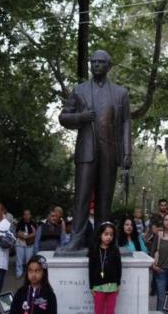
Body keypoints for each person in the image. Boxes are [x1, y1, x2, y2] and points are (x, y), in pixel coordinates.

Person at [58, 50, 132, 250]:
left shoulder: (120, 93)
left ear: (109, 66)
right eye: (93, 62)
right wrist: (81, 117)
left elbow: (126, 122)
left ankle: (103, 239)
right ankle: (77, 238)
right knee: (82, 197)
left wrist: (127, 153)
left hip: (110, 152)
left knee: (105, 199)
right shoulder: (80, 90)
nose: (96, 65)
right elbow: (63, 117)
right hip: (87, 151)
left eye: (101, 62)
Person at [88, 222, 121, 314]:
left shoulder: (115, 250)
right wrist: (91, 286)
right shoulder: (94, 250)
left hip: (112, 286)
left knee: (111, 310)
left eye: (111, 235)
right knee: (99, 310)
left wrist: (118, 284)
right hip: (98, 287)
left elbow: (119, 268)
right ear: (100, 235)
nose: (109, 237)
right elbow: (91, 269)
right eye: (106, 234)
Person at [15, 209, 37, 279]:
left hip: (30, 244)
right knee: (19, 260)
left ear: (30, 215)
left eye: (28, 214)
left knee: (29, 260)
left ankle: (28, 274)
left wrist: (27, 237)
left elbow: (35, 233)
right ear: (23, 216)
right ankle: (19, 273)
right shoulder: (20, 223)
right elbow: (17, 232)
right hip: (20, 244)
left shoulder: (33, 223)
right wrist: (22, 236)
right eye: (25, 214)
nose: (26, 216)